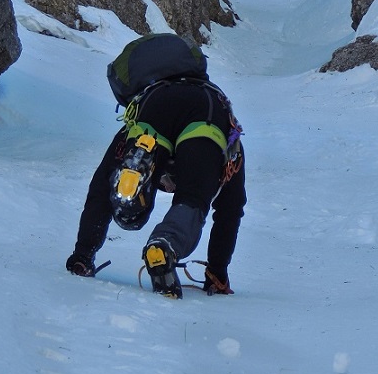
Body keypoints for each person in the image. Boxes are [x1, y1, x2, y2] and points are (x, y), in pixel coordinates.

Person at [65, 35, 246, 298]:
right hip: (208, 116)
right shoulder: (218, 108)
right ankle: (165, 244)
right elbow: (231, 208)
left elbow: (100, 183)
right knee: (194, 195)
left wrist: (83, 253)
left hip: (154, 107)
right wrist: (217, 272)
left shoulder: (148, 97)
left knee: (117, 176)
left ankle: (134, 185)